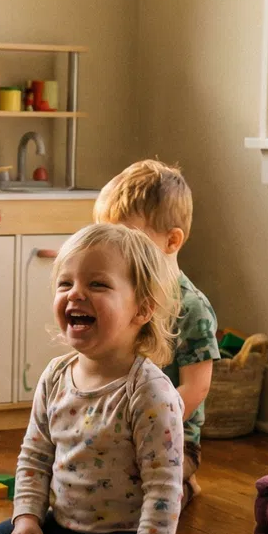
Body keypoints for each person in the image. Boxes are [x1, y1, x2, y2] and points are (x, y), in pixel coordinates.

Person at [0, 223, 198, 534]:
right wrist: (28, 519)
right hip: (63, 523)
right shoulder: (55, 376)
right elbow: (35, 457)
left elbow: (165, 488)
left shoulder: (149, 392)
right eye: (65, 283)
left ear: (141, 309)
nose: (75, 294)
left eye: (98, 284)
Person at [93, 160, 220, 506]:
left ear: (171, 240)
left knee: (132, 487)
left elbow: (198, 386)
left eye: (128, 239)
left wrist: (151, 425)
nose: (116, 251)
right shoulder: (124, 297)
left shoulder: (191, 307)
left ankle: (183, 482)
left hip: (173, 438)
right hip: (122, 428)